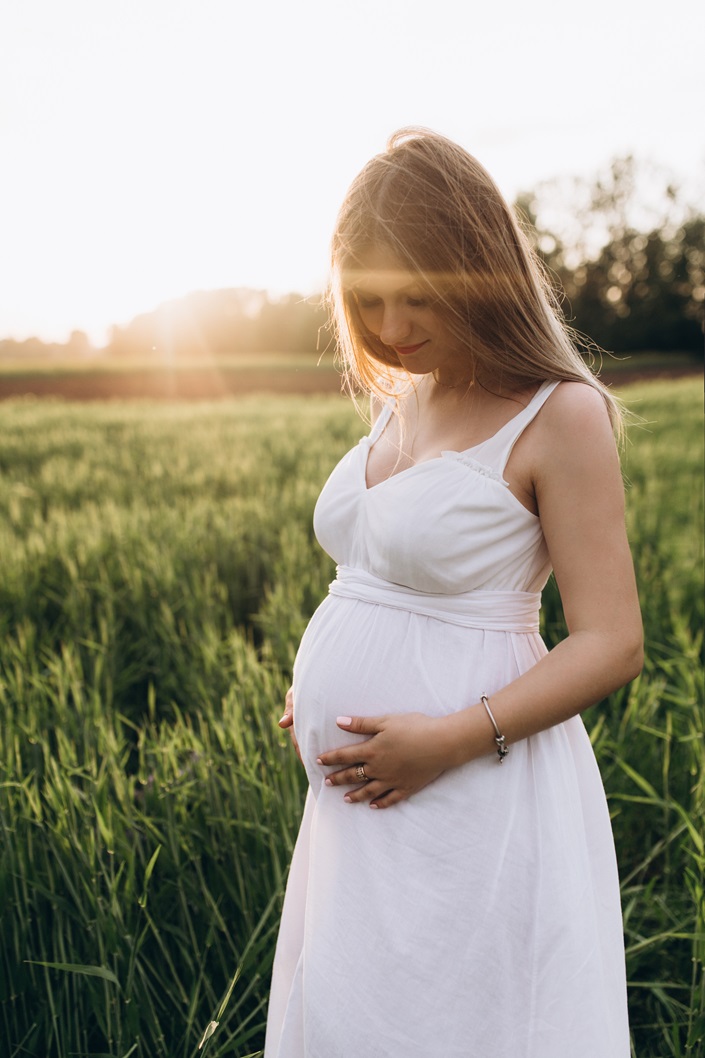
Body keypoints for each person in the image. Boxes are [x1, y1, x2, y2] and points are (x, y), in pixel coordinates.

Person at [265, 128, 643, 1058]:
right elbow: (382, 582)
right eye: (368, 300)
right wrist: (321, 684)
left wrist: (446, 738)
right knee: (362, 1020)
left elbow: (611, 641)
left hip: (471, 785)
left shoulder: (560, 413)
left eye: (418, 297)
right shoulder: (409, 397)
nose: (391, 329)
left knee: (463, 1022)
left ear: (482, 272)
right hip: (362, 805)